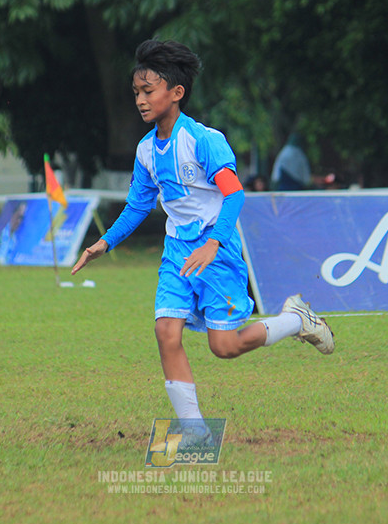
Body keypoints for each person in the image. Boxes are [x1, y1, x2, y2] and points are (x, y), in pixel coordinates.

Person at [71, 39, 334, 441]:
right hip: (177, 252)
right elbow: (138, 206)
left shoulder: (203, 140)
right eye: (136, 92)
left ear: (176, 92)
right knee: (166, 332)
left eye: (148, 91)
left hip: (217, 251)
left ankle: (296, 319)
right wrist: (103, 243)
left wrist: (213, 243)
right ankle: (195, 432)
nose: (140, 100)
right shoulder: (146, 151)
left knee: (224, 347)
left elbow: (235, 194)